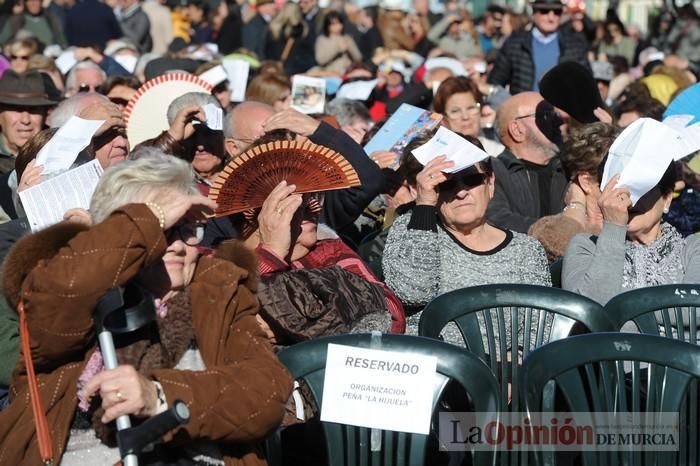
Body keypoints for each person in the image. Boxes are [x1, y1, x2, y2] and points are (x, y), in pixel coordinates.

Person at [0, 151, 293, 464]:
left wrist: (160, 396)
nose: (178, 245)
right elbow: (58, 303)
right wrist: (148, 218)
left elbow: (266, 393)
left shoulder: (219, 291)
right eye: (163, 231)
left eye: (187, 229)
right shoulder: (73, 291)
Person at [382, 135, 551, 342]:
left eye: (471, 180)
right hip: (437, 364)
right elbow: (412, 292)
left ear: (490, 183)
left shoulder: (526, 249)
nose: (461, 193)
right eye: (447, 184)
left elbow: (539, 330)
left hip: (504, 369)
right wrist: (424, 205)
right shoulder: (411, 229)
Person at [562, 161, 700, 304]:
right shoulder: (586, 246)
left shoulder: (692, 248)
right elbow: (588, 308)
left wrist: (622, 306)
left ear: (666, 199)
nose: (630, 201)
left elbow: (693, 309)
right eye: (621, 190)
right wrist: (614, 227)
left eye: (642, 190)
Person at [529, 122, 619, 261]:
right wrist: (576, 205)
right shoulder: (549, 230)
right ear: (586, 181)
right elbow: (553, 249)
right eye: (615, 176)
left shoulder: (633, 217)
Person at [485, 91, 567, 233]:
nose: (558, 121)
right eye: (547, 115)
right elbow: (498, 219)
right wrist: (560, 231)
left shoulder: (570, 169)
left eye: (556, 115)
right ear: (517, 129)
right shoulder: (493, 172)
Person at [488, 0, 589, 95]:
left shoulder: (575, 45)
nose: (551, 17)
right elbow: (496, 81)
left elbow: (586, 83)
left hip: (563, 111)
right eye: (544, 11)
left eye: (557, 12)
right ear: (534, 12)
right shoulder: (514, 43)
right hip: (524, 110)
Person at [432, 76, 504, 156]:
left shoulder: (498, 152)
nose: (465, 117)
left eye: (471, 108)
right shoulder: (434, 157)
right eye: (455, 111)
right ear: (442, 119)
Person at [0, 0, 66, 47]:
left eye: (36, 0)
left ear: (41, 2)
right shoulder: (16, 20)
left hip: (47, 59)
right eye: (30, 0)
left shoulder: (51, 19)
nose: (33, 3)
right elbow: (2, 40)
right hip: (24, 58)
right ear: (25, 3)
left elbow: (62, 41)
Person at [315, 11, 362, 76]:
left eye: (339, 23)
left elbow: (358, 58)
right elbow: (320, 60)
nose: (338, 26)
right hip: (329, 74)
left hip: (347, 74)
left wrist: (349, 48)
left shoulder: (347, 38)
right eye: (334, 24)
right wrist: (337, 50)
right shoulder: (322, 39)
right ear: (327, 26)